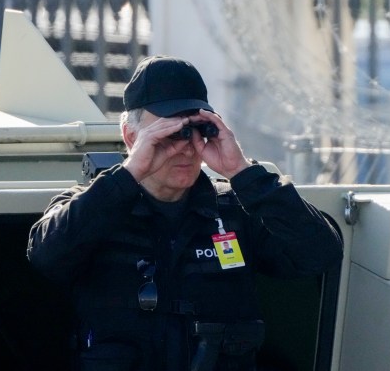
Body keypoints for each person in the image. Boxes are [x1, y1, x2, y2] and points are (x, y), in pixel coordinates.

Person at [28, 55, 344, 371]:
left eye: (197, 130)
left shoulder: (235, 212)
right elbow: (47, 256)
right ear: (130, 136)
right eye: (169, 133)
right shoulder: (91, 207)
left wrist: (241, 171)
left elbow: (321, 253)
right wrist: (128, 173)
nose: (186, 146)